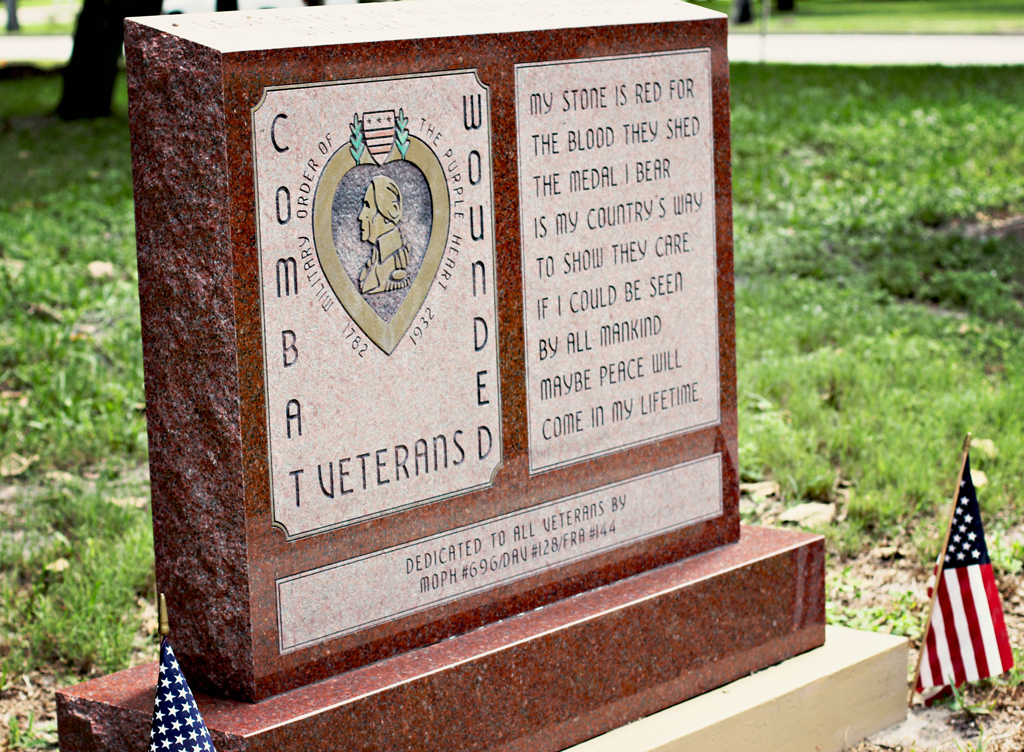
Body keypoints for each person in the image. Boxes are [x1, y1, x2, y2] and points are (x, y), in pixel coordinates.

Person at [357, 176, 411, 295]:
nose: (361, 216)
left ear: (393, 210)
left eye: (368, 206)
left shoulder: (395, 263)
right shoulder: (375, 261)